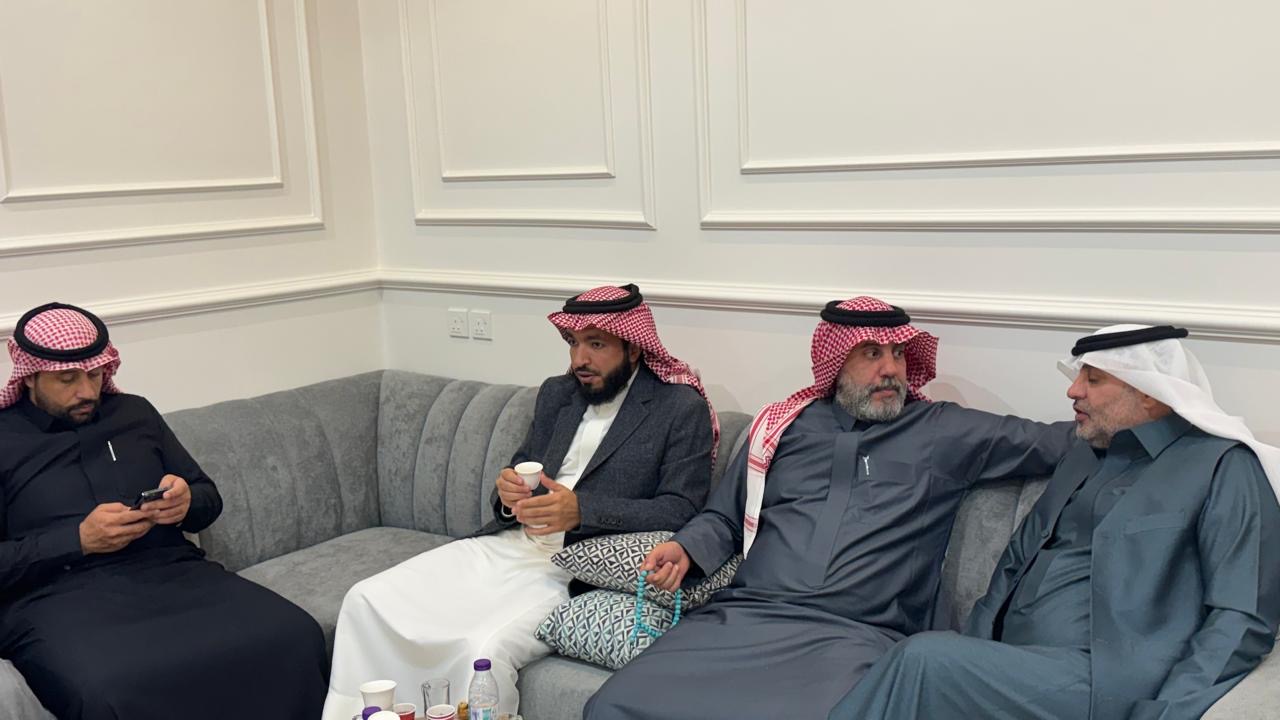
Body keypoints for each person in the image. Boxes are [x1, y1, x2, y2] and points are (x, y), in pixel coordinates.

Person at [584, 296, 1076, 719]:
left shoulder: (944, 431)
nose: (891, 369)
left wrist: (1117, 398)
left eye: (898, 354)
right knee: (614, 704)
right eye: (871, 354)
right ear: (836, 361)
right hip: (744, 618)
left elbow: (1060, 443)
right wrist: (686, 549)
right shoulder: (784, 428)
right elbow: (725, 517)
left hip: (856, 636)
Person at [829, 324, 1280, 720]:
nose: (1073, 391)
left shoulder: (1223, 466)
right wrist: (975, 652)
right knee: (924, 665)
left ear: (1148, 392)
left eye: (1093, 379)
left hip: (1108, 680)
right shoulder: (1083, 457)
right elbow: (1013, 565)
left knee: (922, 659)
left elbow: (1242, 617)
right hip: (1017, 667)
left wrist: (1165, 712)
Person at [322, 284, 717, 718]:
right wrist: (509, 494)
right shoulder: (558, 394)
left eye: (596, 344)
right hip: (509, 543)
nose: (579, 359)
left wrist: (582, 511)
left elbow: (682, 508)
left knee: (481, 648)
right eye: (573, 343)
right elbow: (520, 468)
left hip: (577, 565)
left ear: (634, 347)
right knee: (367, 598)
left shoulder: (679, 408)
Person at [0, 302, 328, 720]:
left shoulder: (134, 413)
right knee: (108, 690)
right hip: (55, 598)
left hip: (172, 573)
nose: (87, 392)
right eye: (68, 379)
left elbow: (207, 499)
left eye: (96, 375)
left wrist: (185, 501)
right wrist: (77, 540)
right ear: (29, 375)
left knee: (294, 633)